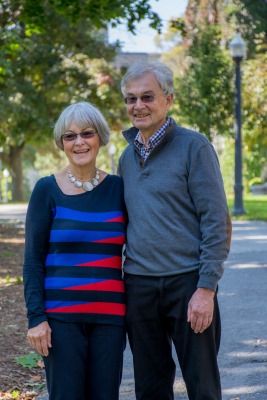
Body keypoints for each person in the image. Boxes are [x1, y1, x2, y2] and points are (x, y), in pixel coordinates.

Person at [118, 62, 232, 400]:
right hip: (139, 285)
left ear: (168, 99)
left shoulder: (194, 147)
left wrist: (206, 289)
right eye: (130, 99)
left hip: (187, 284)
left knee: (203, 386)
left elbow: (216, 220)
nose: (137, 106)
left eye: (147, 97)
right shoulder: (125, 158)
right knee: (150, 387)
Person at [23, 101, 127, 400]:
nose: (79, 142)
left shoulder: (118, 189)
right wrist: (36, 318)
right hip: (60, 322)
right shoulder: (46, 189)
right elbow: (32, 261)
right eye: (70, 136)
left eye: (87, 133)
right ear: (62, 144)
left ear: (100, 138)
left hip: (110, 320)